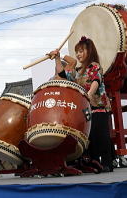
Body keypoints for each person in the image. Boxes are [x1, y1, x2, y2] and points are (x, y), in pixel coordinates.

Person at [49, 36, 114, 172]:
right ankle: (94, 162)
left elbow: (96, 81)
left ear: (89, 51)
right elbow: (63, 74)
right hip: (86, 109)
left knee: (100, 135)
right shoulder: (78, 72)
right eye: (77, 52)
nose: (78, 55)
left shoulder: (95, 66)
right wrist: (57, 58)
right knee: (89, 138)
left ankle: (108, 162)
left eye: (81, 51)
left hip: (98, 107)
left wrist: (88, 94)